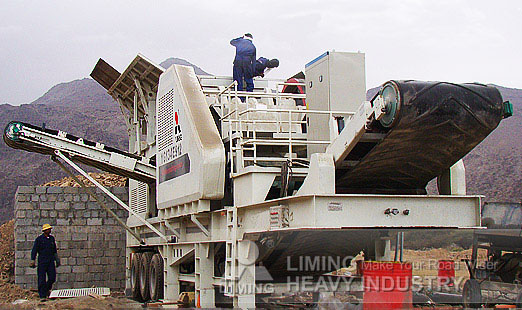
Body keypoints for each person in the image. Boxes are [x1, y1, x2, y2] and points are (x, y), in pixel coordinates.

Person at [31, 224, 60, 300]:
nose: (49, 231)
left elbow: (54, 250)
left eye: (50, 229)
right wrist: (32, 260)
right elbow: (34, 250)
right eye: (48, 229)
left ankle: (46, 290)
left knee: (52, 277)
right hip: (42, 262)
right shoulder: (39, 239)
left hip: (50, 261)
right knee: (41, 279)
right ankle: (42, 295)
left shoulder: (51, 239)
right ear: (44, 231)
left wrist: (57, 259)